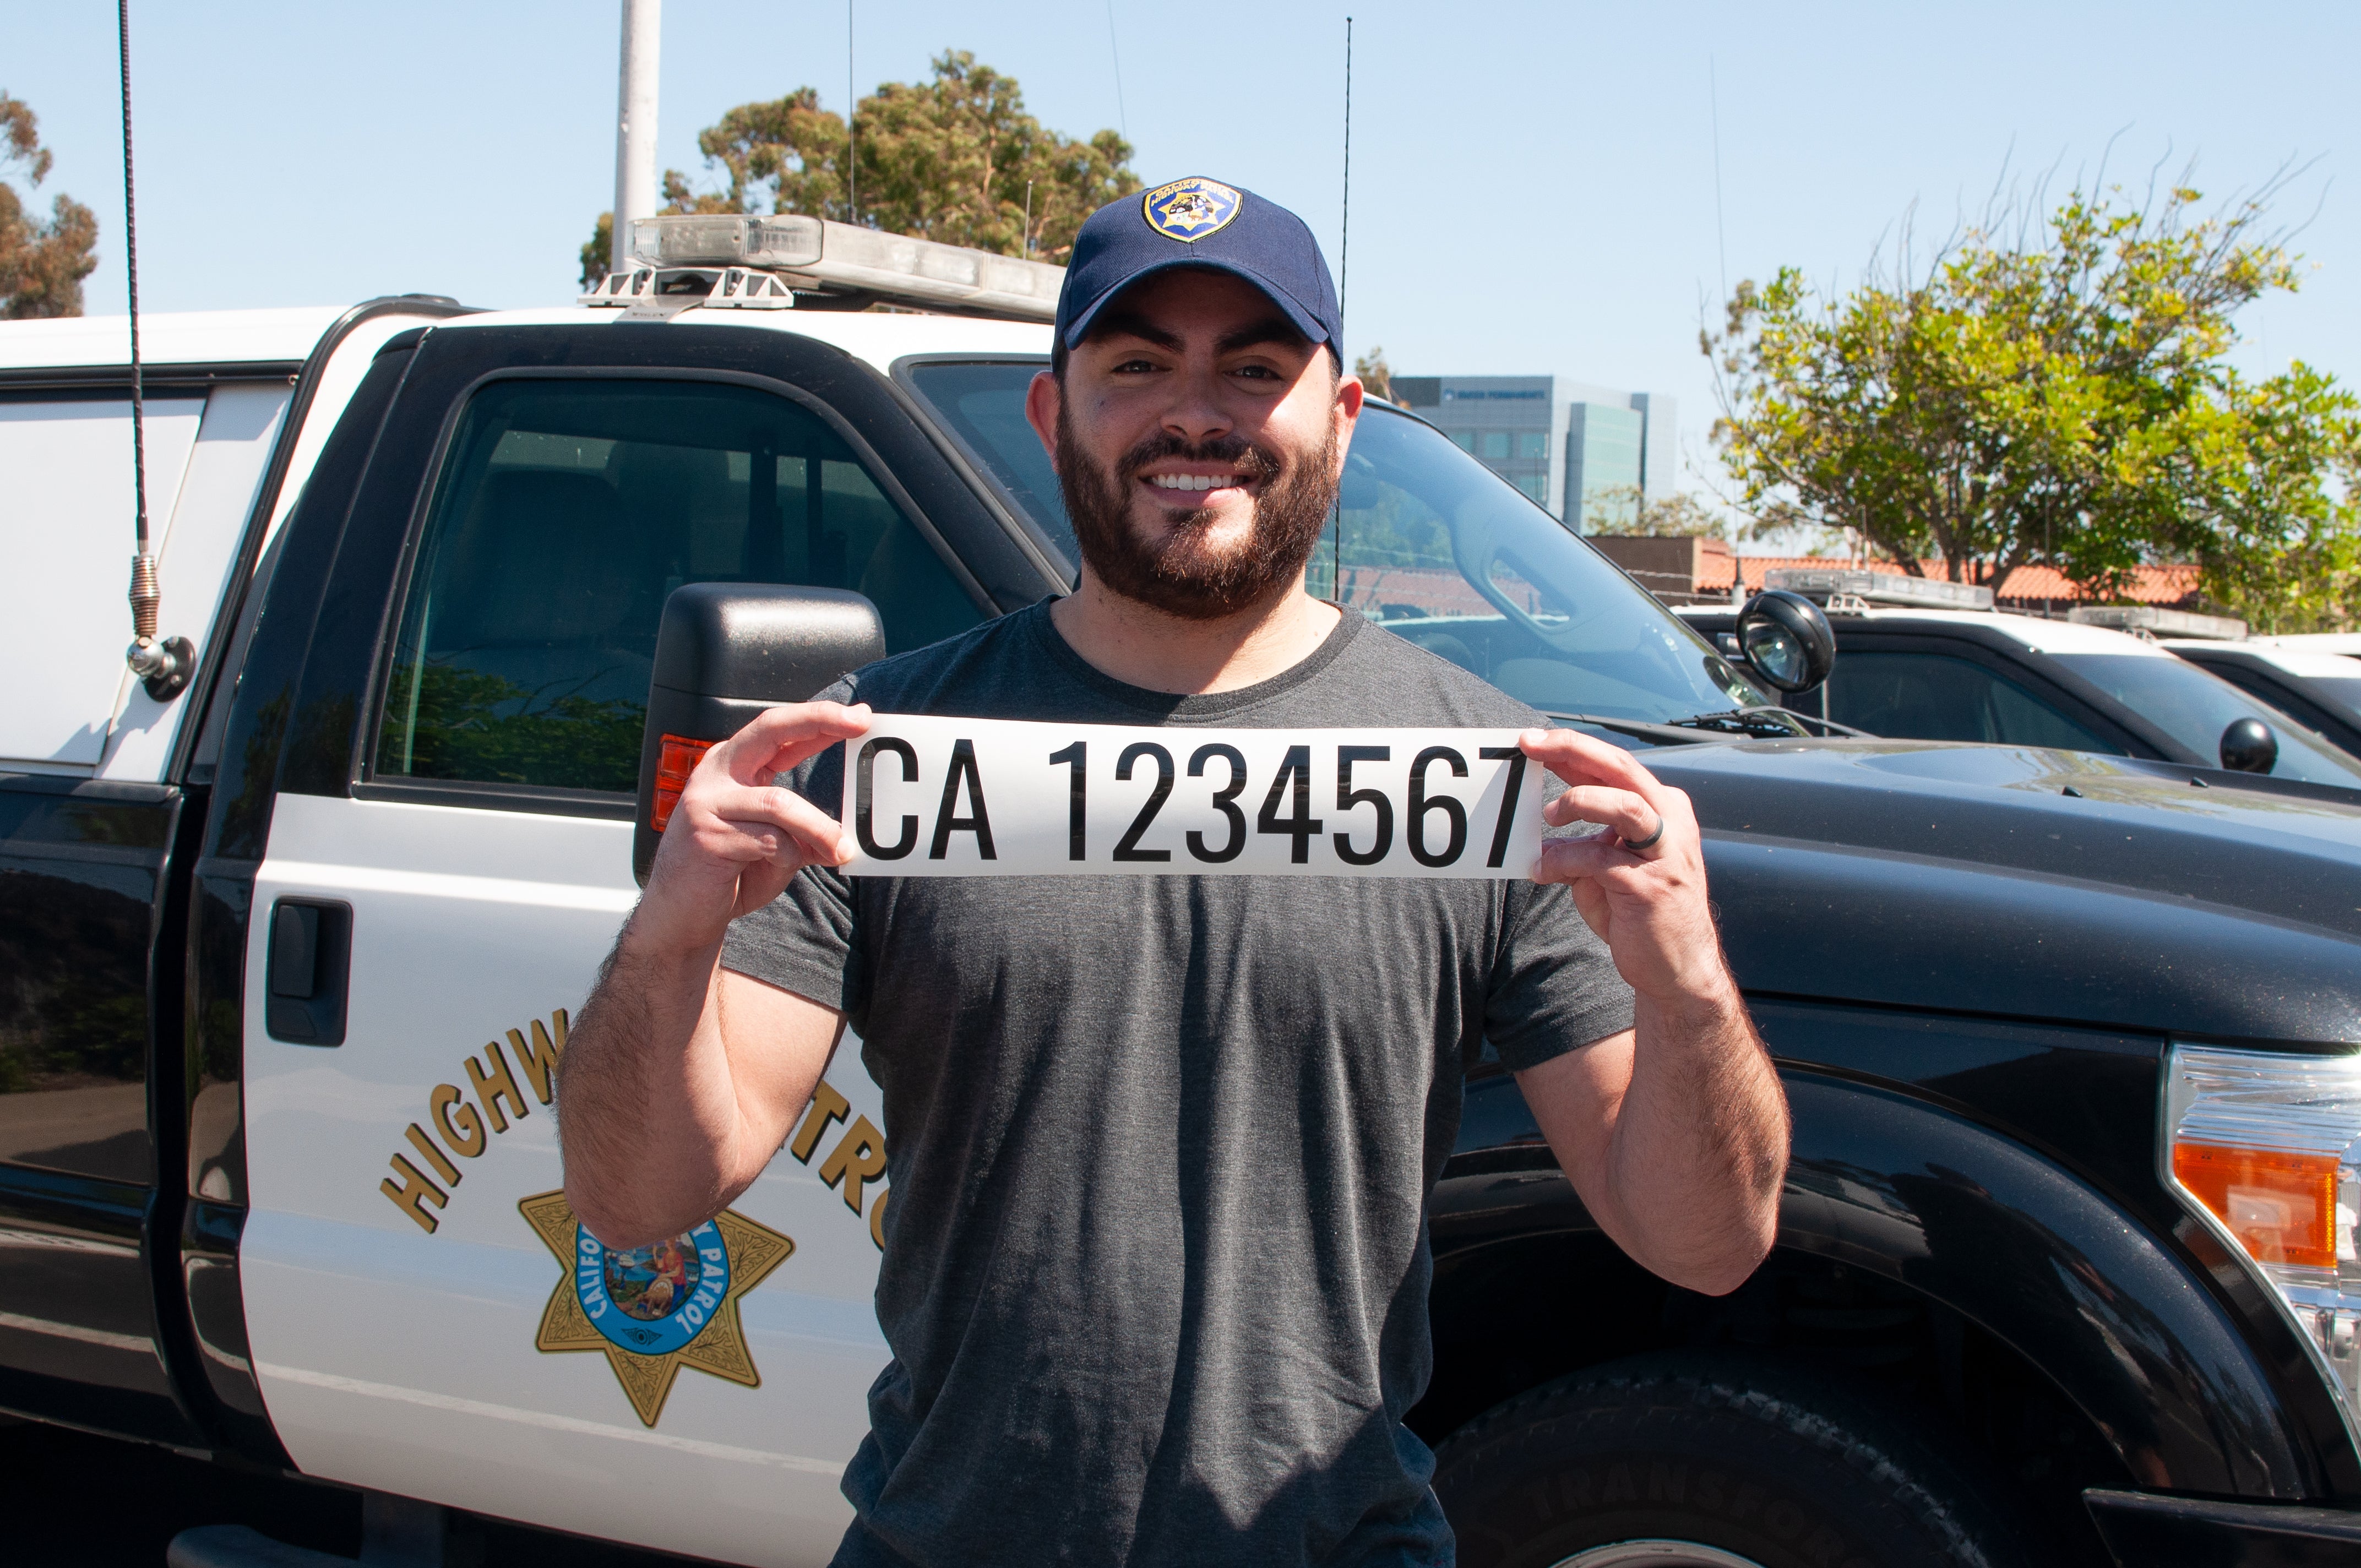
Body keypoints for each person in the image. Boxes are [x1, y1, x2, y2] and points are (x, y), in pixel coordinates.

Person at [557, 176, 1789, 1567]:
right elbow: (637, 1198)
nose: (1194, 412)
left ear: (1341, 417)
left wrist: (1686, 981)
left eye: (1254, 368)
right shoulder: (876, 755)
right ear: (1052, 413)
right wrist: (665, 940)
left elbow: (1706, 1240)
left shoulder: (1491, 782)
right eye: (1136, 362)